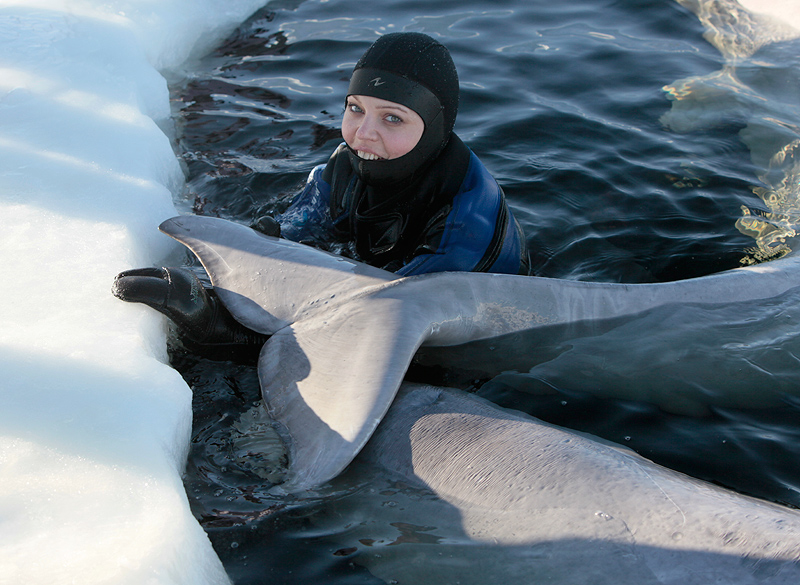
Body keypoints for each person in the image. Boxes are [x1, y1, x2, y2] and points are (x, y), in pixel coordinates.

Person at [114, 32, 530, 351]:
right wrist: (245, 260)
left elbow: (390, 323)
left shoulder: (466, 220)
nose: (363, 134)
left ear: (435, 126)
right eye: (355, 109)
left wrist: (219, 329)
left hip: (470, 335)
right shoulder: (346, 163)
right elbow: (300, 227)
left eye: (392, 118)